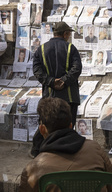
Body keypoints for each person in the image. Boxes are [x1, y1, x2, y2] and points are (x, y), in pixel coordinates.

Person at [31, 21, 82, 157]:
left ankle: (36, 150)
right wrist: (64, 81)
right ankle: (62, 152)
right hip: (69, 97)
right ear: (65, 34)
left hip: (50, 96)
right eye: (69, 33)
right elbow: (76, 68)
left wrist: (50, 81)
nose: (69, 36)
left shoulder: (41, 49)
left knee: (47, 123)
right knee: (68, 125)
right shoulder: (71, 48)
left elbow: (36, 69)